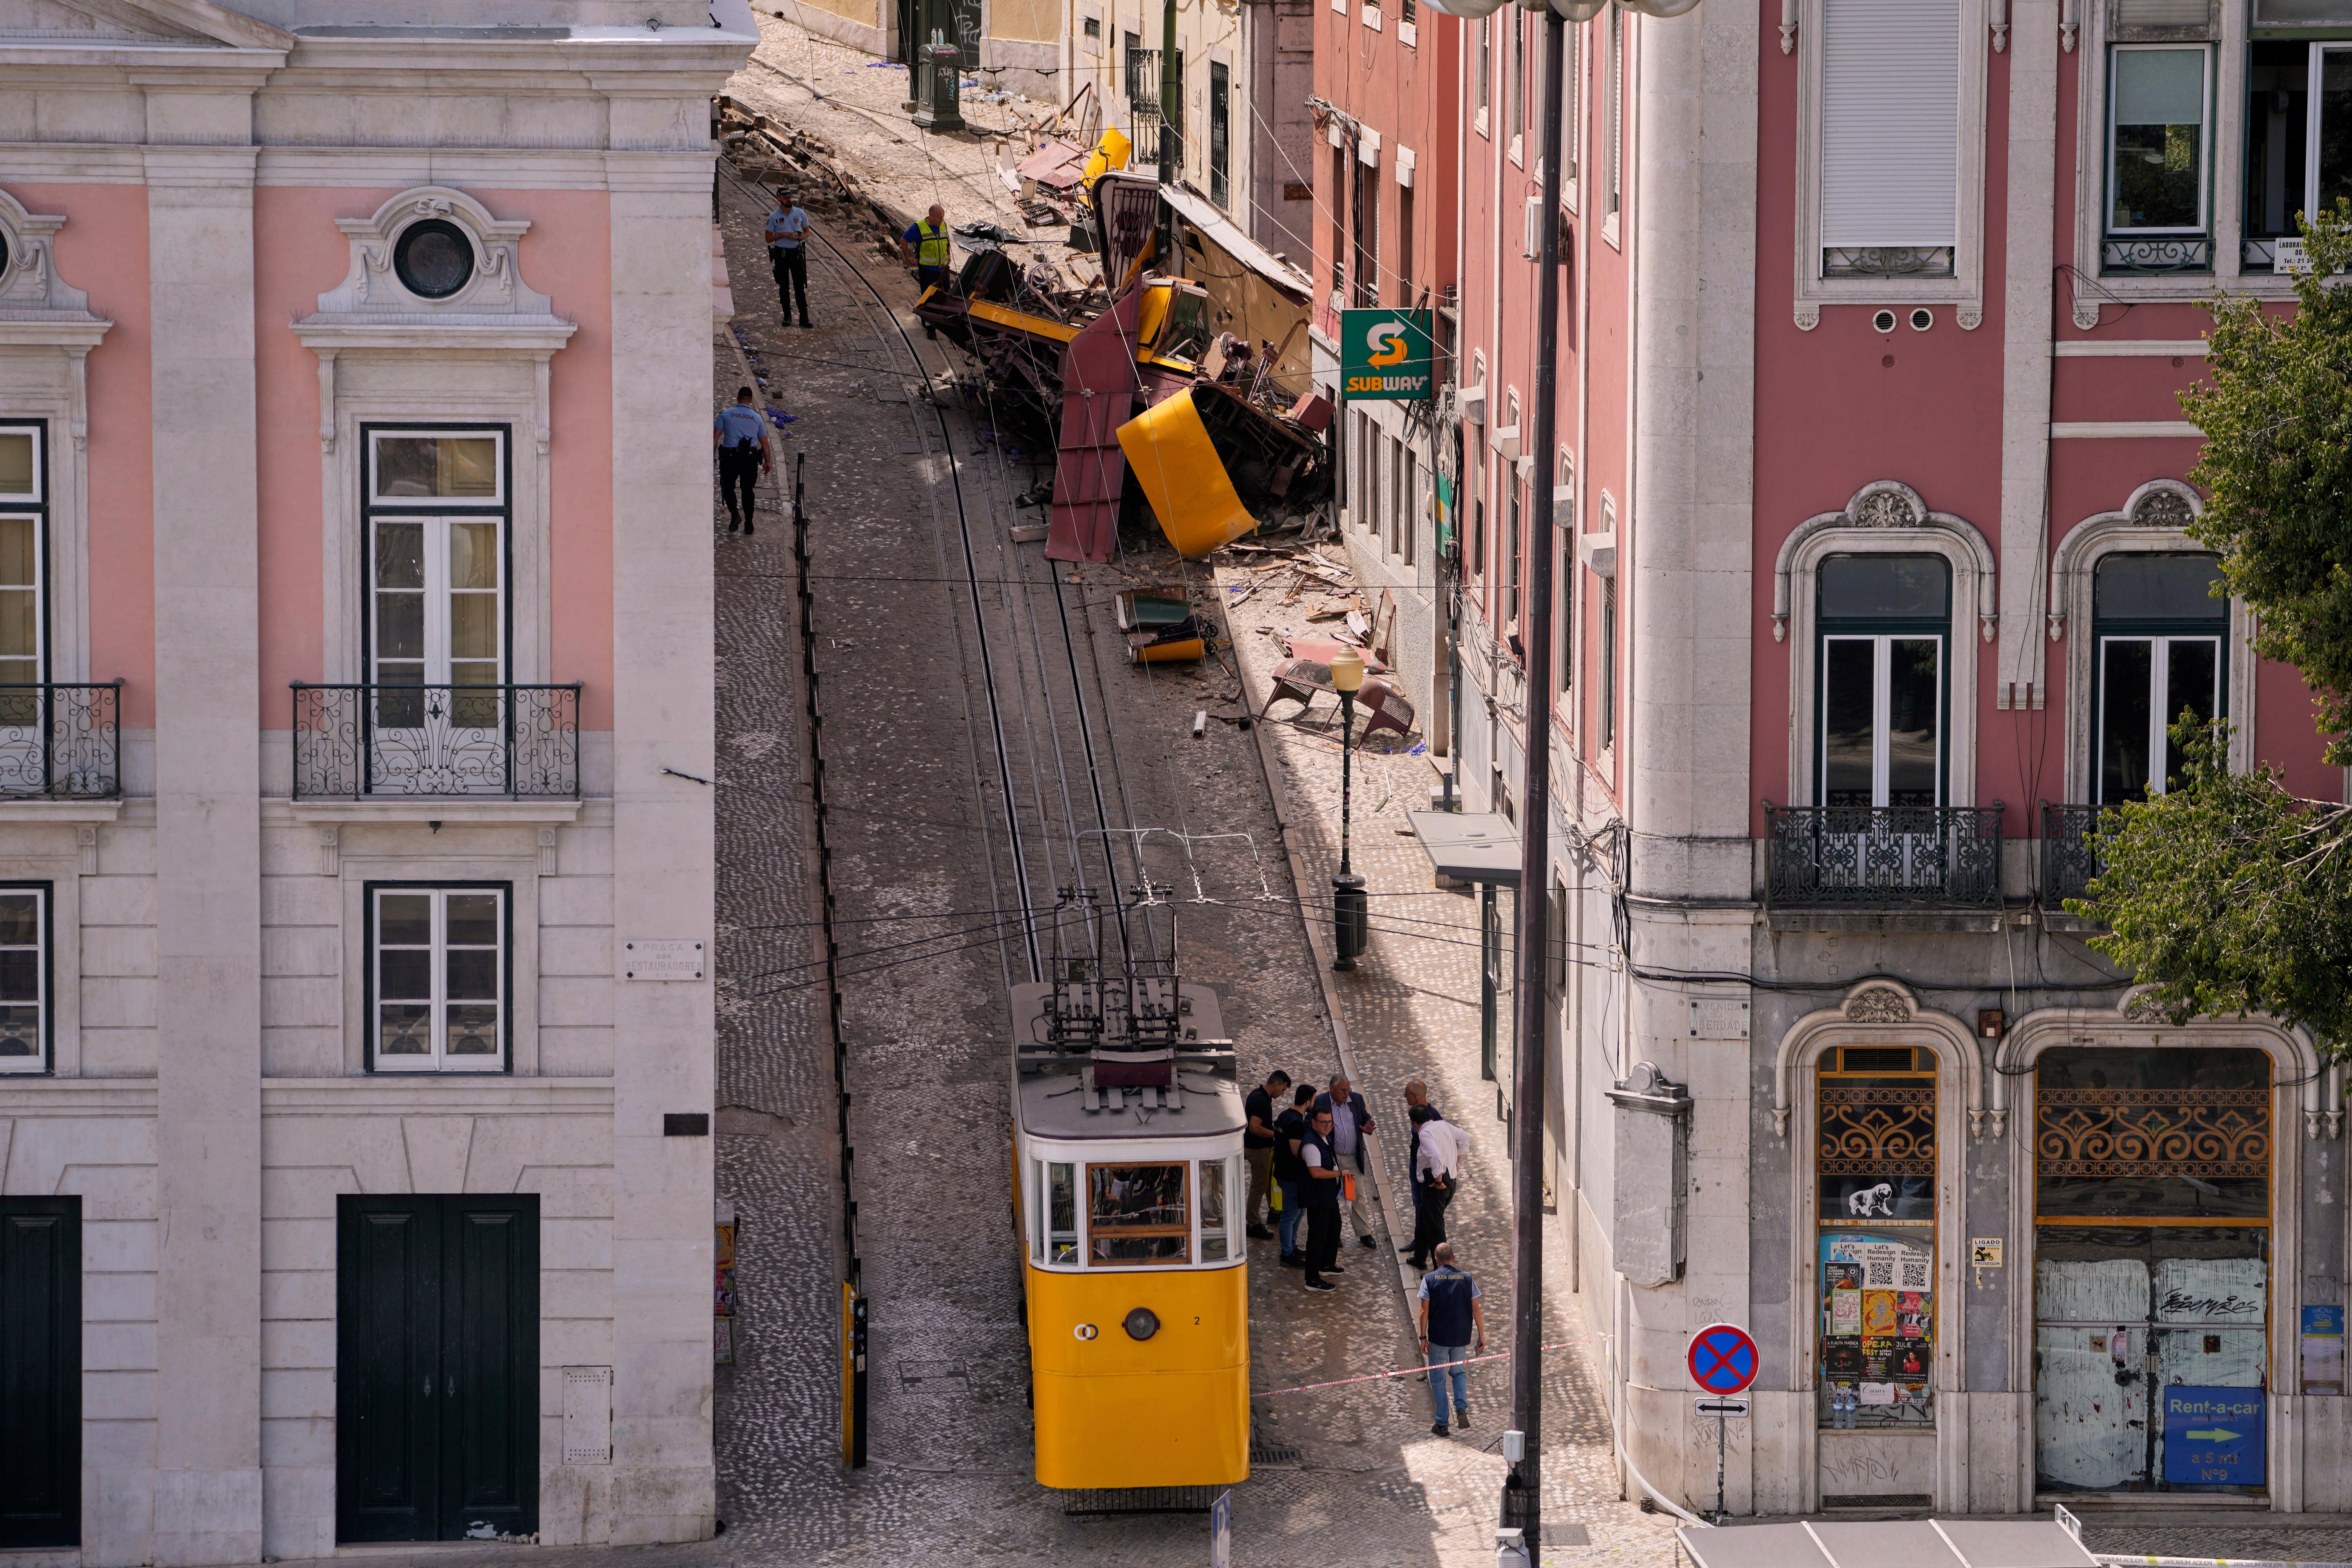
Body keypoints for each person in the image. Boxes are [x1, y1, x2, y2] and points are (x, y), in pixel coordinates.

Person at [1417, 1242, 1486, 1437]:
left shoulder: (1429, 1280)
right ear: (1454, 1258)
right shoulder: (1467, 1279)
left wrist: (1423, 1336)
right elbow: (1476, 1309)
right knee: (1459, 1374)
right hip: (1460, 1338)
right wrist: (1481, 1335)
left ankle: (1442, 1424)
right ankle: (1461, 1408)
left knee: (1438, 1381)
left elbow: (1424, 1311)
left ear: (1436, 1260)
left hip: (1438, 1338)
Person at [1312, 1075, 1379, 1247]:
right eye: (1343, 1090)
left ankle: (1364, 1233)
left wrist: (1367, 1126)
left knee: (1355, 1195)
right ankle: (1333, 1233)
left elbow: (1364, 1117)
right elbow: (1311, 1124)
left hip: (1351, 1161)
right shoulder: (1321, 1102)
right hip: (1332, 1160)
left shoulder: (1355, 1100)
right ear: (1332, 1089)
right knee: (1330, 1196)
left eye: (1348, 1089)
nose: (1346, 1093)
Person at [1406, 1105, 1470, 1270]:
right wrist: (1457, 1162)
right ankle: (1420, 1258)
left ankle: (1442, 1270)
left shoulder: (1425, 1133)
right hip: (1451, 1182)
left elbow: (1436, 1157)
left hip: (1437, 1187)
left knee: (1435, 1229)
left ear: (1415, 1123)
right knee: (1424, 1219)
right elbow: (1465, 1138)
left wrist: (1438, 1179)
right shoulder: (1442, 1125)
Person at [1297, 1105, 1345, 1292]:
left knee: (1334, 1227)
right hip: (1317, 1198)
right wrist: (1340, 1174)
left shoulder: (1325, 1138)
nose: (1327, 1126)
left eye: (1330, 1122)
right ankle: (1312, 1279)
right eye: (1324, 1123)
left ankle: (1326, 1265)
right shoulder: (1311, 1144)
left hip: (1328, 1195)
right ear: (1314, 1123)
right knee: (1317, 1237)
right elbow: (1315, 1172)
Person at [711, 386, 770, 535]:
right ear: (751, 401)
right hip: (750, 459)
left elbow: (715, 438)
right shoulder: (757, 419)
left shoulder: (725, 415)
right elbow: (764, 444)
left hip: (730, 458)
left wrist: (711, 456)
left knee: (727, 488)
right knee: (748, 491)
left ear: (738, 398)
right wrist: (767, 462)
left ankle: (735, 515)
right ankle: (749, 524)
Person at [1242, 1069, 1290, 1241]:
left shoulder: (1257, 1095)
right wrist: (1276, 1135)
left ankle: (1274, 1212)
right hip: (1259, 1151)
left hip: (1259, 1149)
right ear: (1276, 1084)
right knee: (1259, 1186)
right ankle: (1253, 1224)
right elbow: (1255, 1127)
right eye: (1283, 1089)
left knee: (1267, 1183)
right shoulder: (1261, 1101)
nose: (1282, 1094)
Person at [1273, 1082, 1315, 1266]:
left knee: (1298, 1213)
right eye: (1313, 1100)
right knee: (1291, 1215)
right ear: (1308, 1102)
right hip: (1292, 1177)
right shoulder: (1297, 1123)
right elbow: (1297, 1152)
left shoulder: (1284, 1116)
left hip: (1285, 1173)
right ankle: (1287, 1254)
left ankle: (1291, 1246)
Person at [901, 204, 952, 335]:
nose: (942, 220)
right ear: (931, 216)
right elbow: (904, 240)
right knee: (929, 300)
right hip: (928, 271)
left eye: (943, 218)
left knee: (946, 297)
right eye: (939, 218)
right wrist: (908, 257)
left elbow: (946, 241)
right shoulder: (919, 227)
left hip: (943, 271)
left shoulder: (943, 225)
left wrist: (949, 254)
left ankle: (944, 323)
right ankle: (931, 328)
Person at [764, 188, 812, 328]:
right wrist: (782, 235)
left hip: (796, 254)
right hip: (781, 255)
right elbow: (768, 238)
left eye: (790, 198)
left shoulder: (800, 213)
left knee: (800, 286)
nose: (789, 201)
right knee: (784, 287)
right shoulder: (773, 217)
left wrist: (801, 237)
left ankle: (804, 318)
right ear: (779, 199)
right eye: (786, 199)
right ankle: (787, 316)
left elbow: (807, 232)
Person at [1399, 1079, 1442, 1227]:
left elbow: (1438, 1149)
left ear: (1416, 1096)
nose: (1406, 1098)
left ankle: (1423, 1242)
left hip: (1427, 1171)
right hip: (1416, 1166)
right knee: (1418, 1205)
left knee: (1425, 1207)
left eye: (1407, 1095)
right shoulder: (1418, 1113)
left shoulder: (1434, 1117)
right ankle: (1419, 1239)